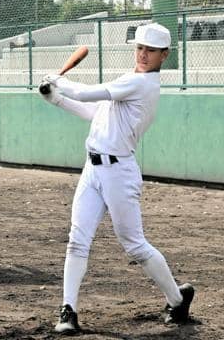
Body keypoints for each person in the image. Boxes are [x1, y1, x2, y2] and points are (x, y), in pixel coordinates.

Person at [39, 23, 194, 333]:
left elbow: (84, 93)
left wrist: (58, 81)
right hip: (93, 168)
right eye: (140, 48)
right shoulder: (130, 80)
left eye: (151, 50)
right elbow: (93, 112)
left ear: (164, 55)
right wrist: (56, 98)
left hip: (119, 173)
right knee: (77, 239)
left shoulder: (142, 83)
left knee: (134, 245)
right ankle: (68, 310)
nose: (143, 54)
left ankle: (177, 299)